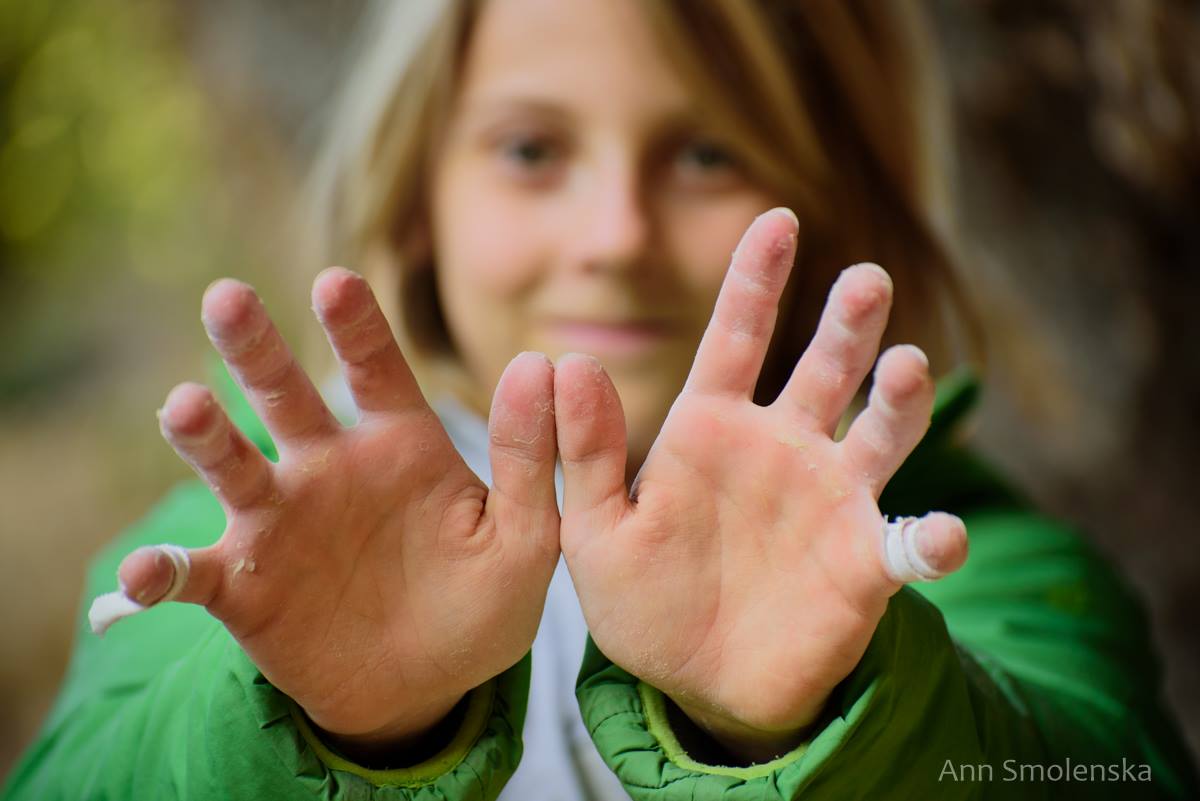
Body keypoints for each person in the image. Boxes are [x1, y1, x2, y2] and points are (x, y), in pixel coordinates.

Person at [3, 0, 1197, 798]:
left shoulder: (957, 555)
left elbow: (1097, 767)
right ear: (420, 198)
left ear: (837, 203)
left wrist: (822, 718)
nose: (614, 234)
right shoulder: (234, 556)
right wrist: (327, 726)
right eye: (531, 150)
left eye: (705, 154)